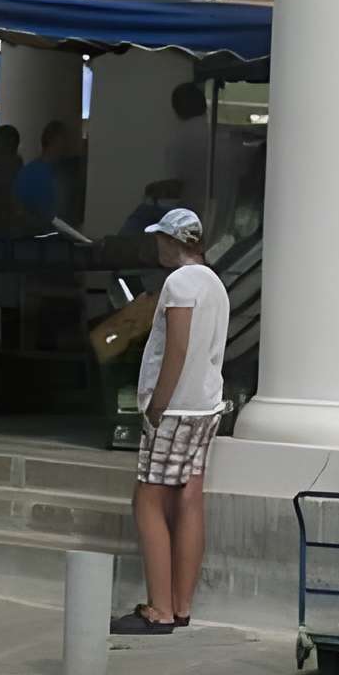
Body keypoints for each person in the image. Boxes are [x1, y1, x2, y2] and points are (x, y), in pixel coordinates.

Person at [116, 207, 230, 636]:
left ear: (173, 241)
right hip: (205, 404)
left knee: (147, 499)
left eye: (161, 238)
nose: (157, 245)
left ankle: (159, 609)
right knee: (190, 498)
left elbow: (176, 348)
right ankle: (182, 605)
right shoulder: (214, 283)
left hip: (176, 407)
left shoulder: (180, 282)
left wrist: (156, 407)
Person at [16, 119, 86, 228]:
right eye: (66, 139)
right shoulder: (38, 173)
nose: (72, 143)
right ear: (57, 141)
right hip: (42, 239)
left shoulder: (28, 172)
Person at [161, 79, 214, 211]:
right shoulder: (221, 133)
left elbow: (175, 187)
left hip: (192, 214)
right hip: (225, 217)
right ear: (204, 105)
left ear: (176, 109)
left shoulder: (178, 140)